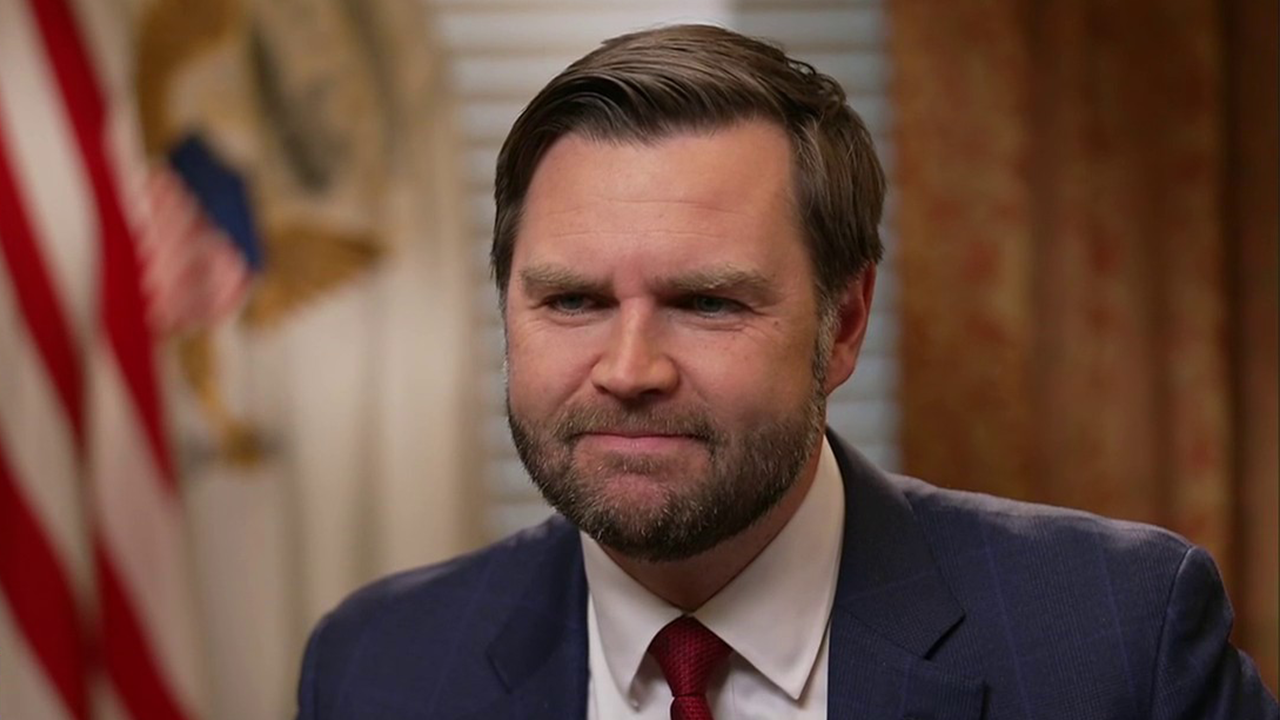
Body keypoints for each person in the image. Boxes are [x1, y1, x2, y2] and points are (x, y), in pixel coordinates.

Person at [295, 24, 1278, 719]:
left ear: (842, 325)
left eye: (707, 303)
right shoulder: (378, 667)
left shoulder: (1116, 643)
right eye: (573, 301)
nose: (628, 370)